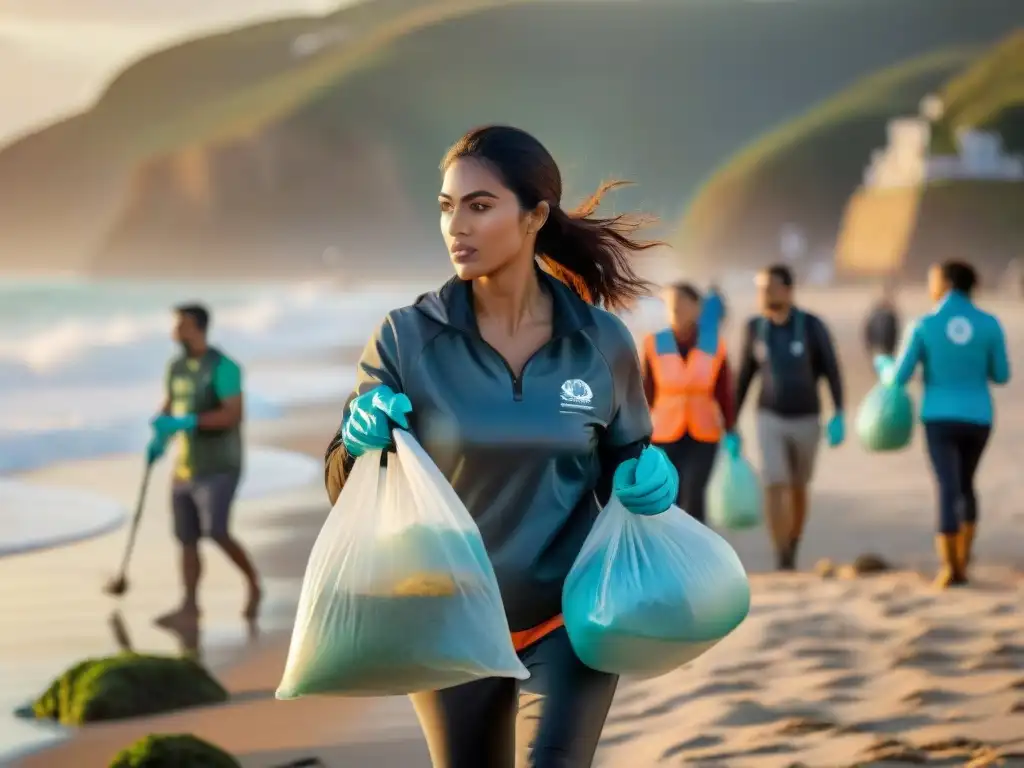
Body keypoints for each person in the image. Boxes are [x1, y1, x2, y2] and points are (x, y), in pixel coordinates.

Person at [323, 126, 679, 768]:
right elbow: (344, 487)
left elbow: (627, 464)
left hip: (568, 617)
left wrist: (649, 479)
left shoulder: (602, 343)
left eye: (480, 206)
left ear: (535, 216)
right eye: (446, 206)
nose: (457, 225)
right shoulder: (406, 338)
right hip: (445, 616)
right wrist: (356, 443)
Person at [889, 260, 1010, 588]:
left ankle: (949, 566)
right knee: (967, 484)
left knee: (946, 485)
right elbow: (1001, 374)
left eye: (932, 280)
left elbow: (899, 377)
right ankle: (964, 560)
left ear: (944, 284)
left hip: (939, 417)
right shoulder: (989, 324)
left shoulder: (924, 324)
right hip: (979, 417)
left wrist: (884, 367)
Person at [146, 304, 261, 629]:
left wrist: (191, 420)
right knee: (186, 539)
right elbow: (169, 407)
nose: (175, 333)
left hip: (220, 466)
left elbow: (232, 414)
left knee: (217, 531)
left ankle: (253, 583)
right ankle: (190, 606)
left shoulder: (225, 368)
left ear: (198, 328)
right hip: (185, 468)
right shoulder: (176, 367)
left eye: (181, 326)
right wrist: (160, 436)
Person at [735, 264, 845, 571]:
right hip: (769, 416)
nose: (762, 294)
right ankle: (780, 552)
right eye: (759, 288)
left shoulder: (812, 326)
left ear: (787, 290)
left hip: (808, 418)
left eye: (768, 287)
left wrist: (839, 412)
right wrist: (731, 423)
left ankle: (794, 543)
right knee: (774, 482)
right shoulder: (754, 328)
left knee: (798, 486)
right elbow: (743, 377)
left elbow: (832, 370)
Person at [641, 282, 737, 524]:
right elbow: (645, 391)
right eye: (671, 304)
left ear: (697, 308)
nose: (676, 309)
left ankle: (694, 557)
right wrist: (637, 430)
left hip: (703, 435)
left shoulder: (715, 345)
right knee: (666, 497)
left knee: (694, 496)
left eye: (682, 303)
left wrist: (732, 429)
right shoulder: (654, 343)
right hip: (663, 434)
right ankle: (668, 556)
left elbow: (724, 392)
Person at [862, 280, 901, 360]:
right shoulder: (889, 315)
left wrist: (869, 347)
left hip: (878, 349)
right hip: (884, 349)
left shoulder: (874, 314)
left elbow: (867, 331)